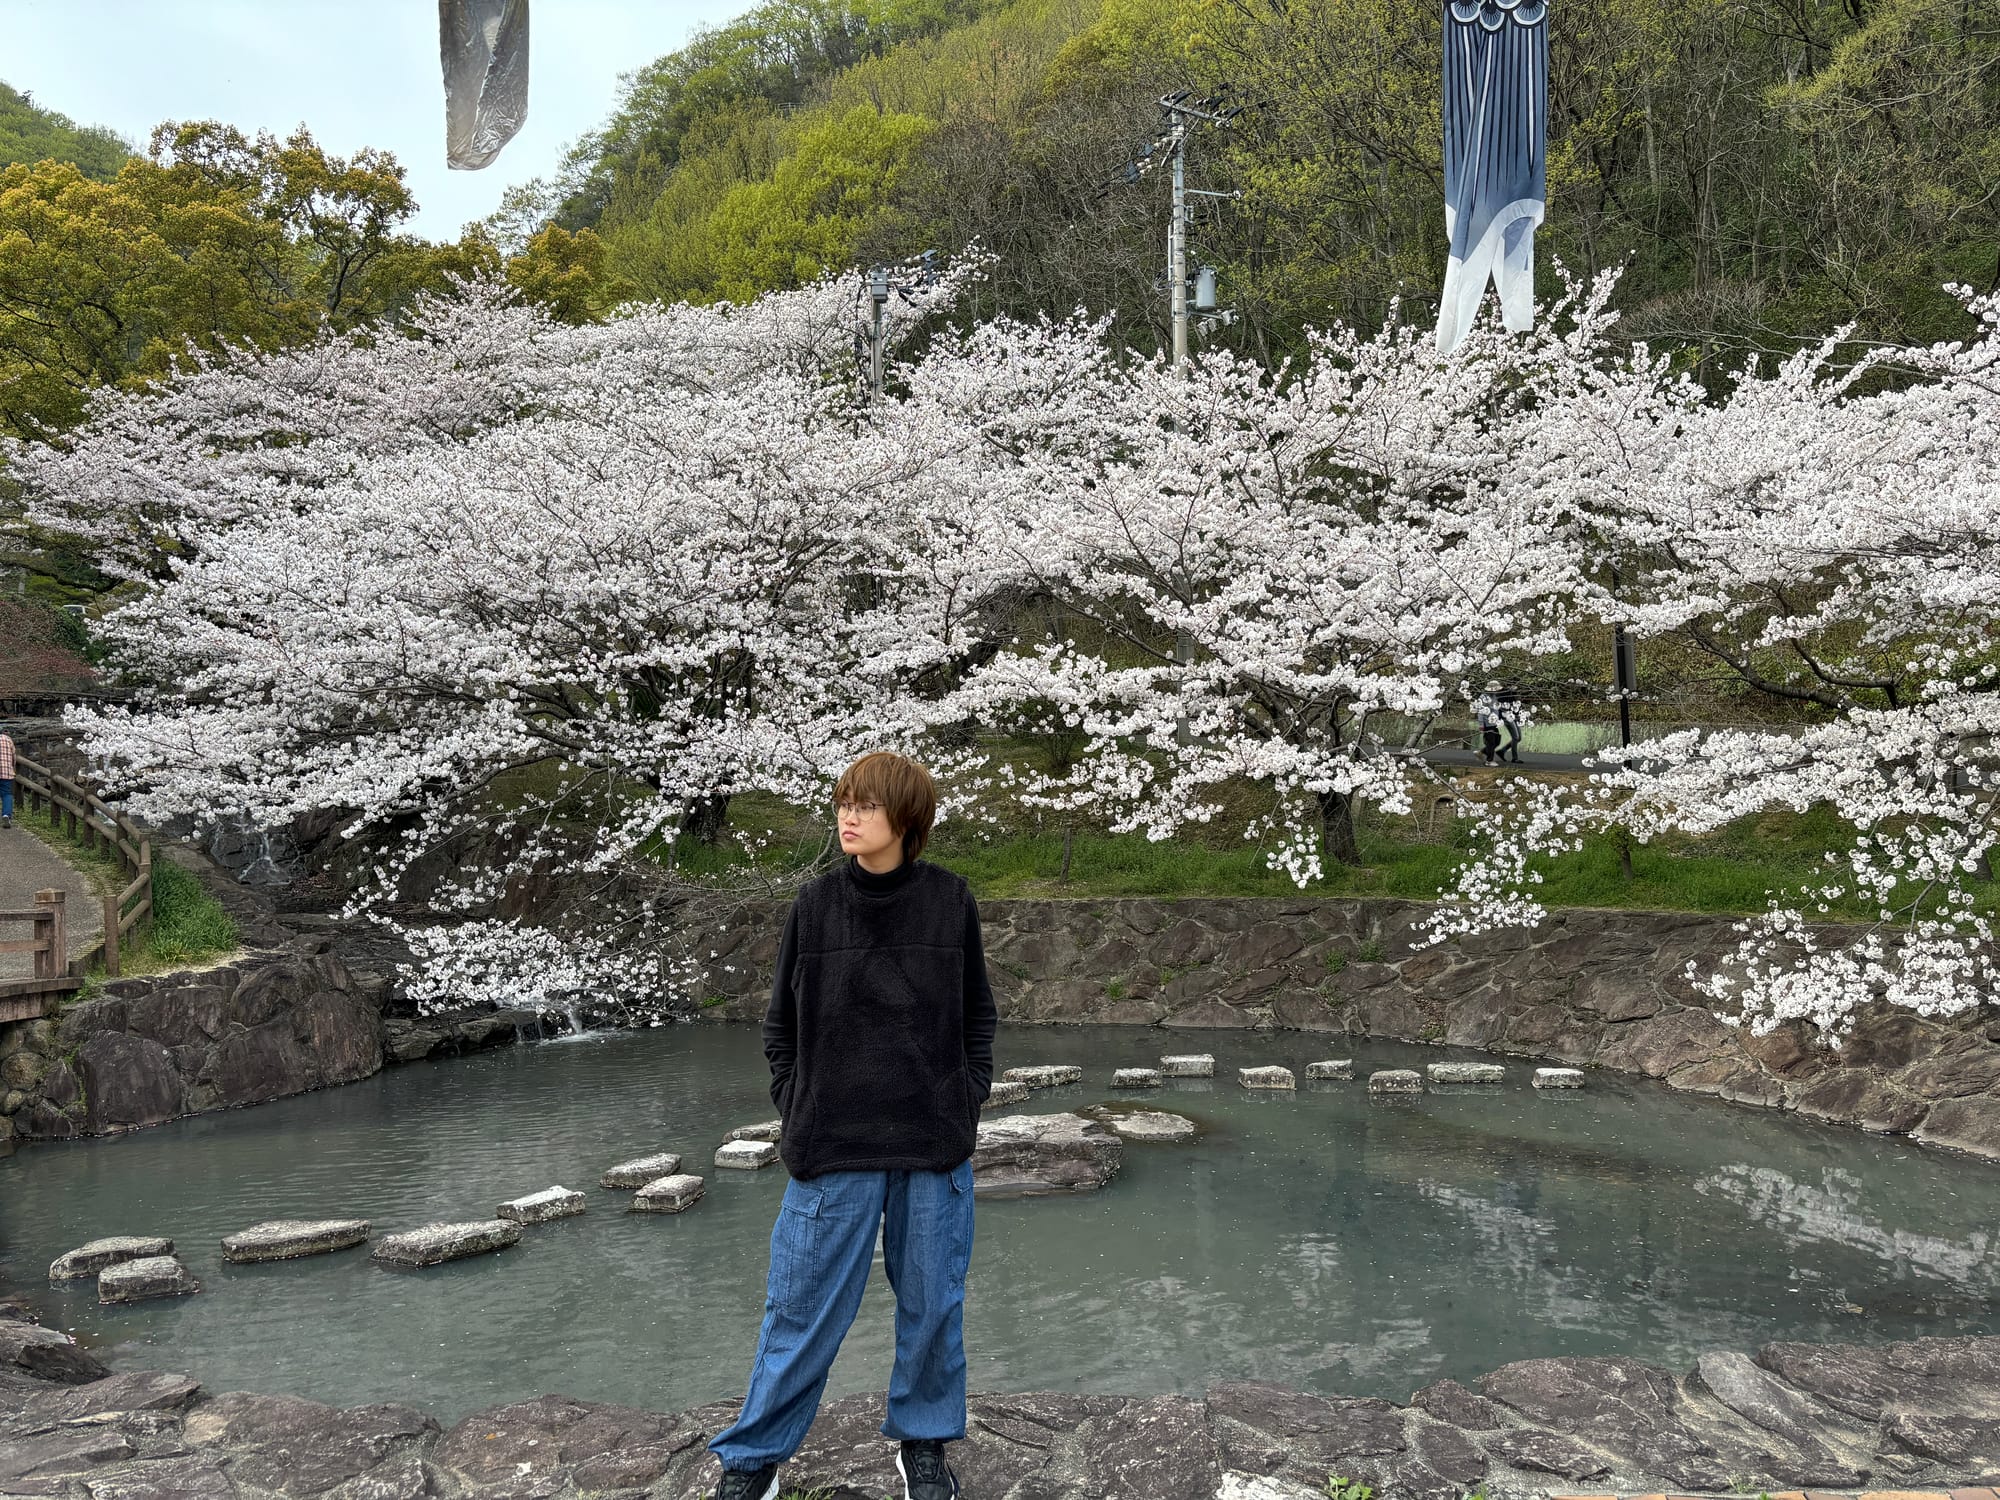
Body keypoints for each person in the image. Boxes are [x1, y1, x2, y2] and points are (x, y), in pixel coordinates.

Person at [706, 750, 998, 1500]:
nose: (848, 816)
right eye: (843, 802)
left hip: (931, 1145)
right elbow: (780, 1028)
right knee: (799, 1310)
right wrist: (797, 1103)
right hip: (832, 1146)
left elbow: (977, 1021)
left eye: (865, 805)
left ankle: (923, 1444)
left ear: (905, 819)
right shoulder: (813, 907)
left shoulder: (949, 901)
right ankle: (754, 1461)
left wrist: (963, 1099)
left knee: (933, 1307)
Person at [1473, 687, 1503, 766]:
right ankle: (1489, 760)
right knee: (1491, 742)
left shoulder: (1494, 696)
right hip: (1487, 723)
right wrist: (1481, 724)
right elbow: (1480, 711)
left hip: (1494, 723)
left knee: (1497, 741)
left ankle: (1481, 752)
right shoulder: (1483, 697)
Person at [1496, 688, 1525, 764]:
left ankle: (1502, 751)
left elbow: (1516, 708)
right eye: (1517, 694)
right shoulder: (1505, 697)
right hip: (1507, 717)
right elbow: (1501, 708)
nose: (1519, 696)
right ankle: (1514, 758)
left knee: (1519, 738)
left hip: (1513, 717)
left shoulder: (1514, 699)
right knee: (1515, 737)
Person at [0, 724, 15, 828]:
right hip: (6, 772)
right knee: (6, 794)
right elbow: (14, 756)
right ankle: (6, 815)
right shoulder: (8, 739)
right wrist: (12, 768)